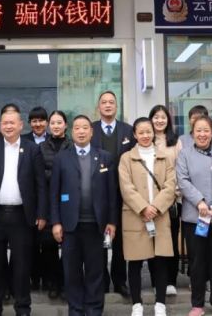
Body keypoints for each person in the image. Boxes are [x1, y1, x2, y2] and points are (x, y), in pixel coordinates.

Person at [0, 108, 47, 316]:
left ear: (21, 125)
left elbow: (40, 184)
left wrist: (42, 213)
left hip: (22, 217)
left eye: (12, 123)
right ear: (0, 125)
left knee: (22, 266)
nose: (9, 126)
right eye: (5, 123)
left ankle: (22, 308)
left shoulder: (32, 149)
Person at [50, 115, 117, 316]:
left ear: (91, 131)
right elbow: (54, 193)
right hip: (70, 225)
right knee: (72, 272)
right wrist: (56, 222)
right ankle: (76, 310)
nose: (81, 131)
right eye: (77, 128)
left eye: (85, 128)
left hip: (97, 225)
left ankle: (94, 310)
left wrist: (112, 221)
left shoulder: (104, 157)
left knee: (96, 271)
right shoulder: (62, 158)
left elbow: (112, 193)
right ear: (72, 132)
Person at [176, 115, 212, 316]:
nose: (202, 134)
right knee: (197, 261)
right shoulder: (185, 154)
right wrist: (199, 201)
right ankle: (197, 304)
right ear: (192, 132)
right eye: (198, 130)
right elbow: (182, 180)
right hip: (195, 217)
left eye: (206, 130)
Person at [119, 117, 176, 316]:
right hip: (135, 216)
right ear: (135, 135)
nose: (145, 135)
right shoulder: (126, 158)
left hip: (159, 216)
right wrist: (143, 207)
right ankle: (137, 304)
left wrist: (156, 207)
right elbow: (126, 187)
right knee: (135, 262)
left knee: (160, 261)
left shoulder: (164, 157)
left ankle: (160, 304)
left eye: (148, 132)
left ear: (154, 133)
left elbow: (170, 186)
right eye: (141, 132)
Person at [90, 90, 134, 297]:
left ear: (116, 106)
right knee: (99, 239)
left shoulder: (128, 130)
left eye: (111, 102)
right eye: (104, 102)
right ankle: (102, 280)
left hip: (122, 194)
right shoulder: (90, 129)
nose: (108, 105)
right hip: (98, 194)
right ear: (98, 107)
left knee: (120, 241)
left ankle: (119, 281)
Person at [148, 105, 181, 296]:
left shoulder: (176, 142)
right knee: (152, 242)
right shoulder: (146, 139)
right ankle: (155, 281)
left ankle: (170, 281)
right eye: (156, 117)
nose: (159, 120)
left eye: (163, 117)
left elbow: (180, 169)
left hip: (171, 200)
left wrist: (173, 194)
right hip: (151, 202)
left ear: (168, 120)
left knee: (170, 242)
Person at [39, 110, 73, 299]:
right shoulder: (41, 147)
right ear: (48, 125)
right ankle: (52, 283)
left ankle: (65, 283)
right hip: (48, 201)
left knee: (68, 246)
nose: (56, 126)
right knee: (49, 246)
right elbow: (38, 174)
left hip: (69, 201)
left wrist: (54, 174)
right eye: (53, 123)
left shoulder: (72, 145)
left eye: (59, 122)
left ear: (65, 125)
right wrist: (57, 175)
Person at [22, 106, 49, 290]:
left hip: (48, 193)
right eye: (34, 121)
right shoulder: (23, 140)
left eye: (41, 120)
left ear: (46, 122)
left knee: (47, 242)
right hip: (28, 196)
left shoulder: (52, 140)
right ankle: (33, 277)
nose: (38, 124)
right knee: (29, 242)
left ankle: (48, 278)